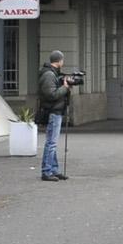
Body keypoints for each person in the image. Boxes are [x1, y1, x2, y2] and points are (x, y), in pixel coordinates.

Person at [36, 50, 73, 181]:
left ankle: (54, 169)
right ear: (59, 61)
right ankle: (46, 171)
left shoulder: (52, 74)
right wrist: (65, 88)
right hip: (53, 111)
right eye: (62, 60)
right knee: (51, 142)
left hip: (56, 111)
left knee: (53, 142)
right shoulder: (48, 75)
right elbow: (51, 95)